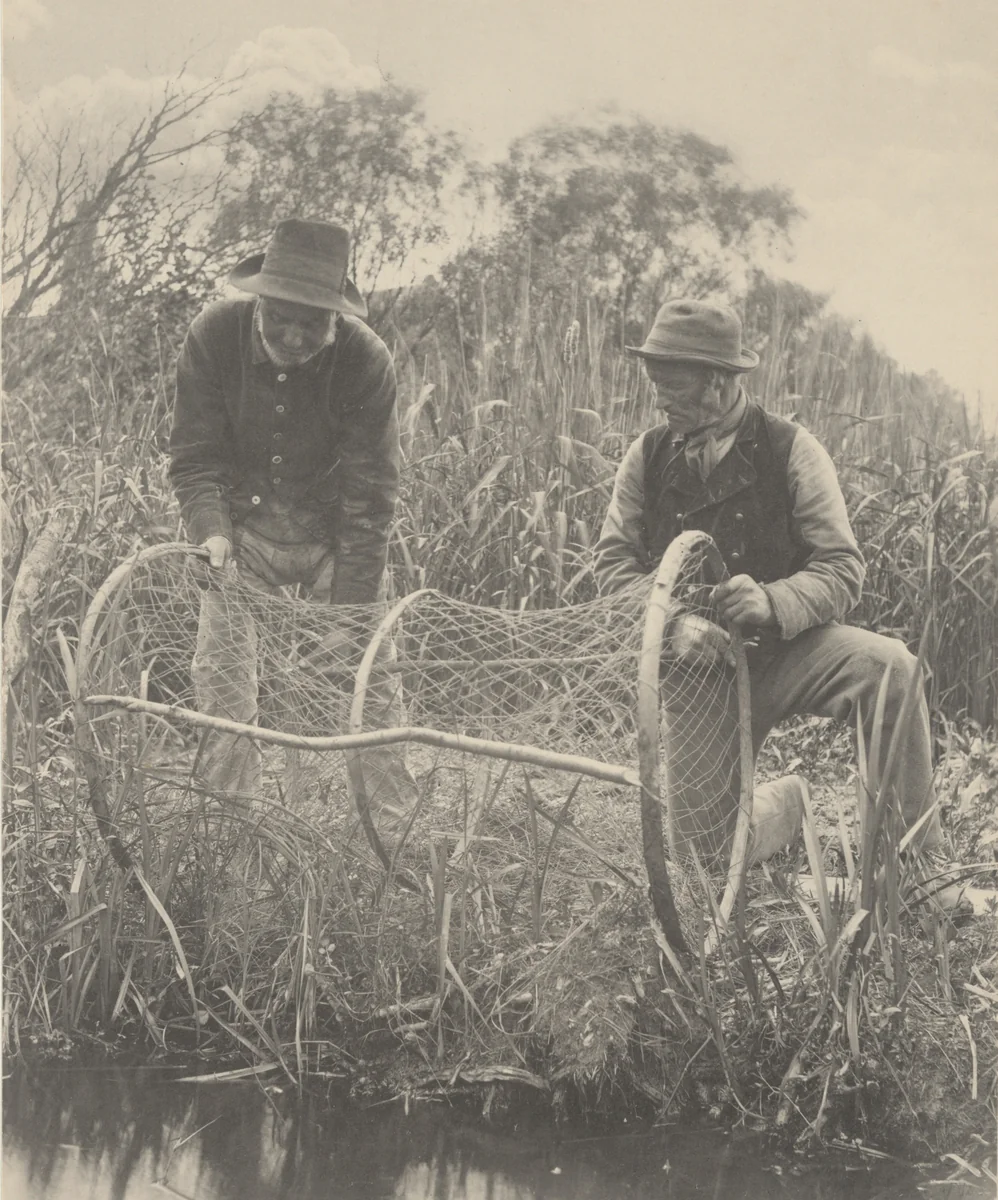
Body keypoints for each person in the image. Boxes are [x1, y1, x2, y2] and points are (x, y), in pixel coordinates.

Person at [594, 298, 966, 908]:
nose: (658, 400)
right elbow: (612, 565)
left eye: (672, 386)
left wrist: (773, 600)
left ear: (718, 382)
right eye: (654, 383)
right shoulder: (646, 456)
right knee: (703, 864)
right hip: (699, 669)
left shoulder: (793, 449)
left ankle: (918, 871)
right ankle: (785, 804)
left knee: (890, 668)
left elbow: (843, 568)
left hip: (792, 649)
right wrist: (675, 626)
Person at [169, 217, 416, 830]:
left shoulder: (366, 360)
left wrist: (349, 618)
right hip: (242, 537)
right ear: (259, 300)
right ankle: (229, 828)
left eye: (313, 322)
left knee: (372, 677)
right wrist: (212, 533)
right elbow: (195, 458)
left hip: (332, 537)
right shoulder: (213, 336)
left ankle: (391, 829)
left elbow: (370, 497)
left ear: (338, 315)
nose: (295, 335)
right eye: (280, 316)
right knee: (220, 674)